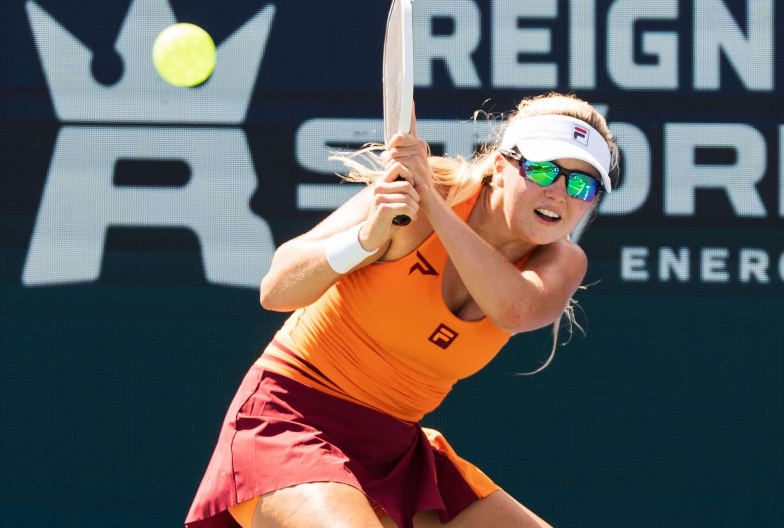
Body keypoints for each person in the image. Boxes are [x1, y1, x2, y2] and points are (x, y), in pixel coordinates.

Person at [185, 92, 621, 528]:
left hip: (395, 449)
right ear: (502, 169)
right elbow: (276, 288)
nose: (560, 193)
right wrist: (366, 240)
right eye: (543, 170)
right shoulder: (420, 196)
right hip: (291, 418)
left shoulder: (561, 260)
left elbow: (513, 309)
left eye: (582, 184)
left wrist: (429, 200)